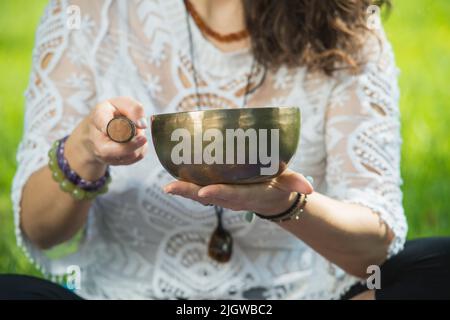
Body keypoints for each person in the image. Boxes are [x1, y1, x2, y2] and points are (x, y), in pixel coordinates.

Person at [3, 0, 449, 300]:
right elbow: (41, 229)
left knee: (437, 266)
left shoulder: (343, 22)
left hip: (296, 294)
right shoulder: (87, 12)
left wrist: (289, 205)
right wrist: (85, 150)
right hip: (127, 293)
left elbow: (376, 247)